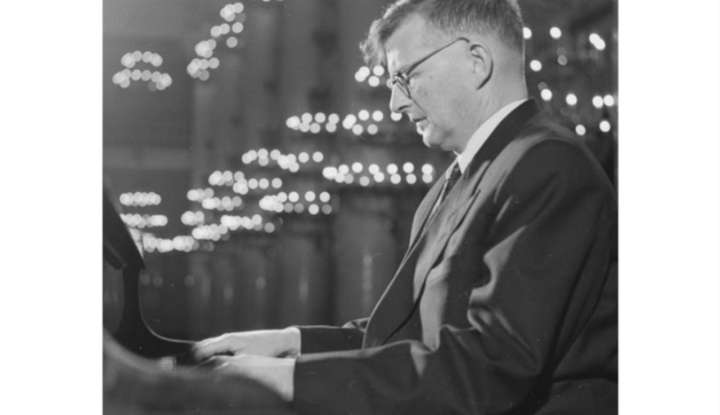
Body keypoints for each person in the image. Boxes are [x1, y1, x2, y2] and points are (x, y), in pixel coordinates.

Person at [193, 0, 618, 414]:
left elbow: (488, 369)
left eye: (406, 77)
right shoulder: (462, 179)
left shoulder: (547, 165)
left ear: (477, 61)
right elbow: (406, 337)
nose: (395, 103)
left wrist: (289, 379)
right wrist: (290, 345)